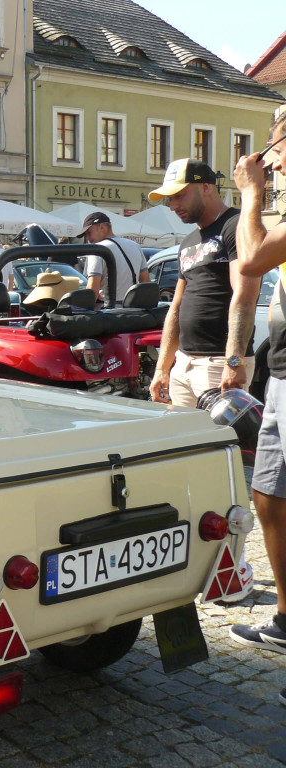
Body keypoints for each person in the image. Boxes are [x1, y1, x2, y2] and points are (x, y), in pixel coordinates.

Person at [230, 112, 286, 697]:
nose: (268, 159)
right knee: (269, 494)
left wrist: (252, 195)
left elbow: (250, 260)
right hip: (282, 372)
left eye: (273, 145)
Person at [148, 158, 259, 408]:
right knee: (184, 444)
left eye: (180, 196)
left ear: (206, 187)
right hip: (184, 363)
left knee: (222, 443)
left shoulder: (236, 225)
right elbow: (176, 306)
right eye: (170, 199)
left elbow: (245, 295)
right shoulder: (188, 242)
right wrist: (163, 368)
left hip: (219, 365)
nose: (174, 205)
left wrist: (234, 361)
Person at [78, 212, 150, 305]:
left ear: (102, 227)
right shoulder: (135, 246)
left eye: (89, 233)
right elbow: (146, 282)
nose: (88, 238)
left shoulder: (97, 250)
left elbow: (92, 291)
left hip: (107, 312)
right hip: (133, 311)